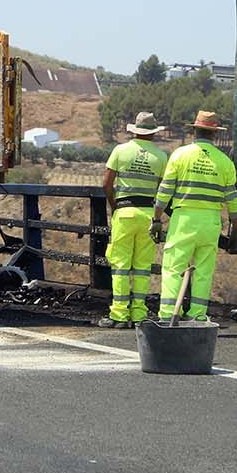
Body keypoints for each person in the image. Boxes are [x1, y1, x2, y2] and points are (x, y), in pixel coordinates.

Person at [151, 110, 237, 321]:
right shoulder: (224, 161)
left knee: (174, 267)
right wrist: (236, 227)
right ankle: (198, 315)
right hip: (211, 221)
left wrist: (156, 219)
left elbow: (164, 192)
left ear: (194, 131)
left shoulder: (180, 155)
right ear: (214, 134)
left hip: (184, 219)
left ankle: (169, 314)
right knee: (204, 270)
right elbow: (233, 199)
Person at [97, 112, 169, 328]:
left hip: (125, 212)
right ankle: (138, 313)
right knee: (142, 266)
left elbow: (106, 184)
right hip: (148, 214)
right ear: (153, 133)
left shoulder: (121, 151)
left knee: (120, 265)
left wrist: (114, 206)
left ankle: (119, 314)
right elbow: (164, 191)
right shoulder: (161, 157)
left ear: (134, 130)